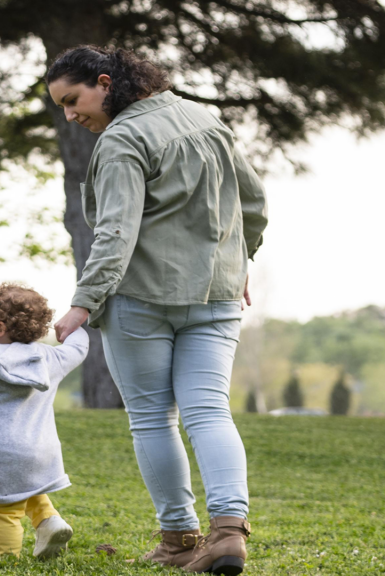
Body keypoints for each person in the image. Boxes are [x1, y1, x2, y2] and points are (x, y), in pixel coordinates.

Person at [46, 45, 269, 575]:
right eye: (61, 107)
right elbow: (254, 201)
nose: (71, 116)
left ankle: (177, 539)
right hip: (216, 293)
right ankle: (229, 532)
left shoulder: (122, 139)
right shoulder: (204, 118)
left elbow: (115, 232)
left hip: (140, 299)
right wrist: (241, 261)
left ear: (105, 82)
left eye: (74, 101)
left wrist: (83, 304)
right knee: (209, 411)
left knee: (151, 419)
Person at [0, 283, 88, 559]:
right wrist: (76, 323)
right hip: (43, 451)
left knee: (3, 510)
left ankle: (6, 557)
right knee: (26, 486)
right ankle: (50, 522)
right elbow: (79, 348)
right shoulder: (51, 358)